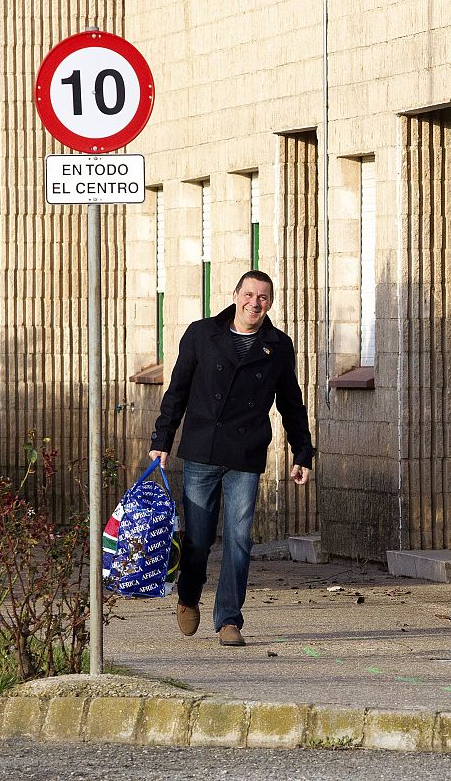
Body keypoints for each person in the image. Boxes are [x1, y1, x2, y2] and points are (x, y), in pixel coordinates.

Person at [149, 270, 313, 646]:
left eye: (264, 298)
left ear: (270, 303)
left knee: (240, 538)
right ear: (236, 294)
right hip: (202, 450)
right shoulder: (202, 334)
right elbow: (177, 391)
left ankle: (228, 620)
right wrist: (162, 437)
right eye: (250, 295)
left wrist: (302, 452)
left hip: (245, 453)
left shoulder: (278, 345)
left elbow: (292, 403)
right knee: (199, 541)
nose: (255, 303)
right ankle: (188, 595)